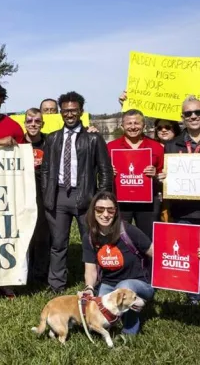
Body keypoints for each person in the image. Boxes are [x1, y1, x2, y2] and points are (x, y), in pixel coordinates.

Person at [41, 91, 112, 293]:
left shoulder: (93, 138)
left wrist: (103, 198)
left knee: (91, 242)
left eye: (73, 111)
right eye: (65, 111)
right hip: (59, 195)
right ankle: (56, 284)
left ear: (81, 111)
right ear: (60, 113)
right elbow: (46, 169)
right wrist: (48, 192)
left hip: (87, 196)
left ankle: (96, 284)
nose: (69, 114)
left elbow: (105, 170)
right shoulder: (53, 138)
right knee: (58, 243)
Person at [82, 191, 153, 335]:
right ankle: (116, 322)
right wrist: (89, 287)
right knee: (100, 315)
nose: (105, 214)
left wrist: (187, 257)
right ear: (93, 211)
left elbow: (156, 252)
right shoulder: (89, 237)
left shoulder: (128, 230)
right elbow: (90, 270)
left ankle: (129, 331)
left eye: (110, 210)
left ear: (115, 212)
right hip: (109, 284)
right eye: (100, 209)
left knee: (124, 286)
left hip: (139, 284)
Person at [160, 96, 200, 304]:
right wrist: (164, 178)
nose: (193, 116)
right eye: (188, 114)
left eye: (197, 113)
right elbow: (166, 173)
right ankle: (193, 295)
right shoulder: (172, 145)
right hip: (183, 210)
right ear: (182, 118)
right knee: (188, 253)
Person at [106, 110, 163, 240]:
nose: (132, 127)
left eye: (137, 123)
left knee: (148, 238)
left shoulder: (156, 147)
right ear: (122, 126)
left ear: (144, 126)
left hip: (148, 202)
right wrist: (109, 172)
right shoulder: (110, 147)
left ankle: (147, 261)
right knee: (119, 237)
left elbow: (162, 174)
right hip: (120, 200)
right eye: (129, 123)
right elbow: (101, 173)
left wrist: (156, 174)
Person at [23, 108, 50, 285]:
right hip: (22, 195)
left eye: (37, 121)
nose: (33, 124)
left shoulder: (50, 142)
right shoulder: (16, 144)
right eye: (30, 121)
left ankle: (39, 276)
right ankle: (23, 275)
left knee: (42, 236)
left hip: (43, 196)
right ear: (24, 123)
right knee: (25, 237)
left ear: (42, 124)